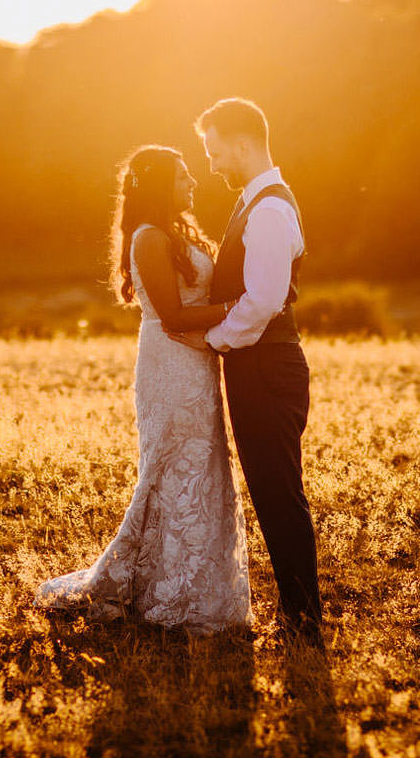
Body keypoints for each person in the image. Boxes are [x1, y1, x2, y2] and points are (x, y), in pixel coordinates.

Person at [33, 146, 250, 634]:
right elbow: (172, 316)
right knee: (173, 467)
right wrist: (243, 304)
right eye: (183, 176)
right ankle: (160, 588)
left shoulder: (175, 230)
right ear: (159, 185)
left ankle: (191, 583)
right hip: (170, 365)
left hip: (196, 360)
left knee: (201, 466)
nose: (193, 183)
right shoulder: (150, 238)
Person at [171, 98, 323, 649]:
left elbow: (262, 301)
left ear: (239, 143)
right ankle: (299, 618)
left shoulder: (268, 210)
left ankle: (304, 625)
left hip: (267, 367)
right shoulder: (254, 203)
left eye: (214, 151)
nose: (211, 164)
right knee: (272, 492)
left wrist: (211, 340)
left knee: (279, 494)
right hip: (257, 367)